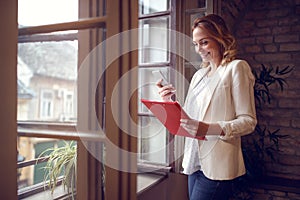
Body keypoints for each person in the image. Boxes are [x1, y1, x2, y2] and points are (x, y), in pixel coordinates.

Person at [157, 14, 257, 200]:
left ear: (220, 39)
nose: (199, 49)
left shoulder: (236, 68)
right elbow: (188, 118)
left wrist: (208, 128)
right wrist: (170, 101)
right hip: (195, 162)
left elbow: (248, 121)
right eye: (196, 44)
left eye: (204, 42)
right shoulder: (199, 76)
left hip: (218, 165)